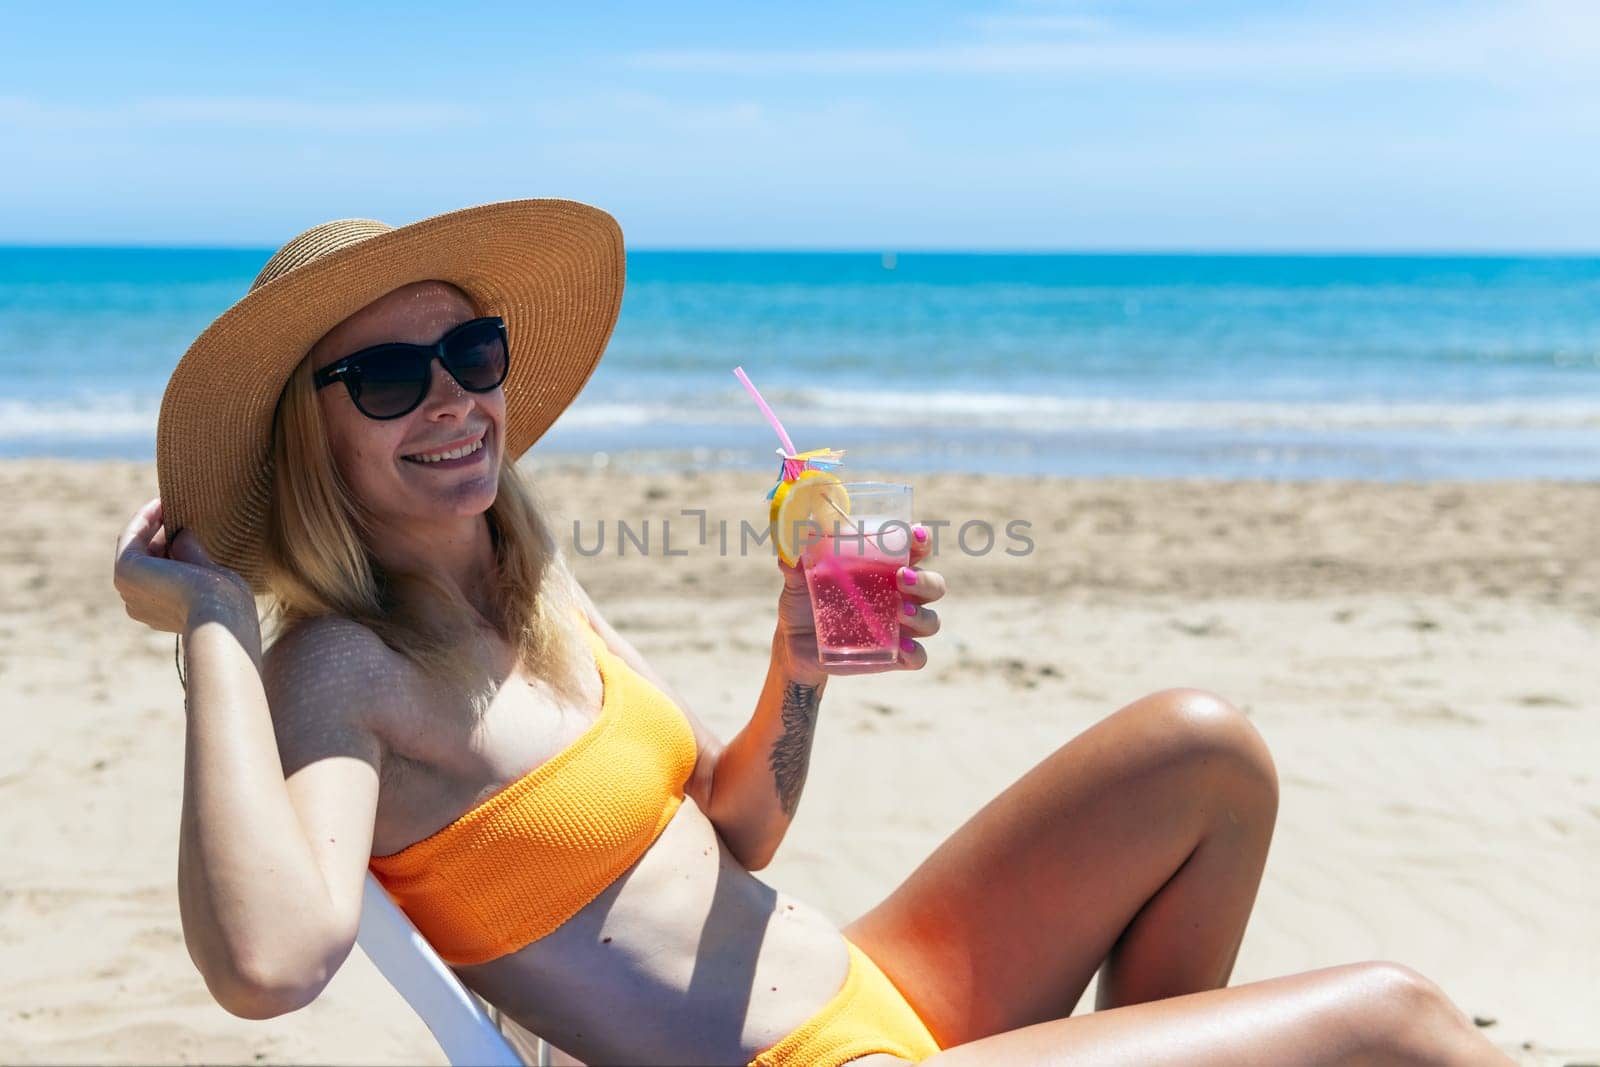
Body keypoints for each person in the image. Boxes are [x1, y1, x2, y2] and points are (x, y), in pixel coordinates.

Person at [113, 199, 1509, 1066]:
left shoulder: (532, 593)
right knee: (1395, 1019)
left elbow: (731, 838)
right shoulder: (341, 668)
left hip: (868, 987)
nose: (452, 400)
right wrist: (219, 629)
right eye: (387, 376)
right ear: (311, 431)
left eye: (469, 353)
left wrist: (798, 669)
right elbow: (269, 964)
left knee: (1203, 755)